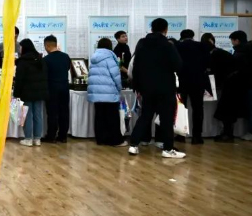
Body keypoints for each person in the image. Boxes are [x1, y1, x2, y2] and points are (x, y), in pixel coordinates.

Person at [128, 18, 186, 158]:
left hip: (146, 87)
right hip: (165, 87)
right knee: (166, 119)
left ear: (151, 28)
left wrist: (137, 86)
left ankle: (133, 145)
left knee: (145, 116)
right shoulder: (168, 45)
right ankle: (167, 149)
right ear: (166, 29)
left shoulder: (142, 43)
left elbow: (136, 65)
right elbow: (178, 65)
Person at [88, 38, 126, 147]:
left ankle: (100, 139)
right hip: (109, 92)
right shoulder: (109, 57)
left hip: (96, 93)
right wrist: (119, 88)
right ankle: (115, 140)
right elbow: (116, 75)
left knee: (99, 116)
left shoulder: (94, 58)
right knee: (112, 117)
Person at [175, 29, 210, 144]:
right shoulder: (202, 46)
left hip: (181, 82)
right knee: (198, 109)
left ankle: (181, 135)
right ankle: (197, 136)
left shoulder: (177, 46)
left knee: (181, 108)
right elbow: (207, 62)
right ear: (193, 36)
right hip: (198, 81)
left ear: (181, 37)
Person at [201, 33, 238, 142]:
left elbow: (213, 70)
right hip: (231, 83)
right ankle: (227, 133)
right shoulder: (221, 53)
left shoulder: (214, 54)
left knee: (226, 109)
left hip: (228, 84)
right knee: (227, 109)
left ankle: (227, 133)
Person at [13, 38, 48, 147]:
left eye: (21, 47)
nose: (20, 49)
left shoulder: (22, 62)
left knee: (27, 115)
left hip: (26, 92)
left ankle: (28, 138)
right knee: (38, 115)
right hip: (39, 92)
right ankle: (37, 139)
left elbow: (19, 80)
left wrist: (16, 93)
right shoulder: (40, 59)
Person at [230, 30, 252, 142]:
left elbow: (240, 70)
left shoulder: (242, 52)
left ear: (237, 40)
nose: (232, 43)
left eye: (232, 41)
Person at [42, 35, 71, 143]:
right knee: (64, 112)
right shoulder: (66, 57)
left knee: (52, 113)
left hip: (52, 88)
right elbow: (68, 68)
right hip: (64, 87)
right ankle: (63, 136)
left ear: (47, 46)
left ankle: (51, 136)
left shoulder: (46, 59)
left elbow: (44, 74)